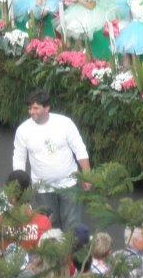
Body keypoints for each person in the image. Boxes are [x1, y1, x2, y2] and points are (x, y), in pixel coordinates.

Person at [11, 90, 91, 232]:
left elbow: (80, 149)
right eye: (30, 108)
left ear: (47, 108)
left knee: (73, 226)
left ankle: (72, 247)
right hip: (42, 189)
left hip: (69, 184)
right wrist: (19, 188)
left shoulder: (65, 123)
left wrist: (87, 175)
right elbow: (19, 159)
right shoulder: (23, 130)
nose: (31, 112)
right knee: (49, 228)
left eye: (35, 108)